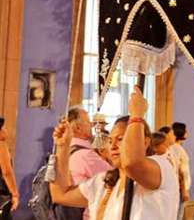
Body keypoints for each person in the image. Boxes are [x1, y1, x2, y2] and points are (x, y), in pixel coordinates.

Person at [49, 87, 179, 219]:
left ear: (145, 142)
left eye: (121, 139)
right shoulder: (102, 182)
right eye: (110, 141)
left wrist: (137, 115)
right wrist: (62, 147)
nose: (113, 146)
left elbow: (132, 163)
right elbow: (60, 194)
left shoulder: (162, 168)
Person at [64, 107, 113, 220]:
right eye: (88, 122)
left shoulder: (67, 151)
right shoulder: (85, 155)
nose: (92, 125)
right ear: (78, 127)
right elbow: (115, 177)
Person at [168, 122, 191, 219]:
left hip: (180, 188)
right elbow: (179, 170)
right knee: (177, 215)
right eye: (185, 130)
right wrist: (184, 190)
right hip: (180, 189)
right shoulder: (176, 149)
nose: (187, 132)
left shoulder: (178, 148)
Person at [0, 118, 18, 218]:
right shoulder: (1, 145)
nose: (6, 130)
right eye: (3, 128)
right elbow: (7, 171)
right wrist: (15, 194)